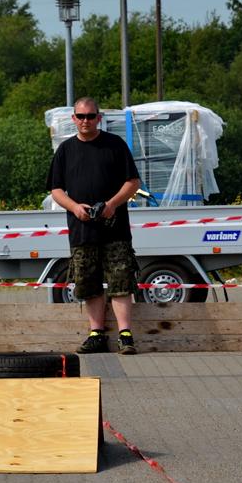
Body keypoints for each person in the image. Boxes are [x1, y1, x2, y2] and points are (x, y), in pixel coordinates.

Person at [47, 97, 142, 355]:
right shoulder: (66, 150)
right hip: (82, 229)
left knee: (120, 281)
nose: (85, 121)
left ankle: (125, 335)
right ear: (74, 119)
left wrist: (112, 204)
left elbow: (132, 182)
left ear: (99, 118)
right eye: (81, 116)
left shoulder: (114, 145)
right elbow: (56, 190)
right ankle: (96, 334)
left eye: (90, 116)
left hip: (115, 228)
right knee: (88, 283)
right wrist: (75, 207)